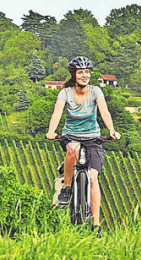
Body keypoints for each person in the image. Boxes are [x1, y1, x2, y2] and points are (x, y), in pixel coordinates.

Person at [45, 56, 120, 229]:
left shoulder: (95, 91)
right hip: (71, 136)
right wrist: (51, 131)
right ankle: (67, 187)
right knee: (72, 149)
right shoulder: (66, 93)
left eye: (87, 72)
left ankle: (95, 224)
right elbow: (57, 114)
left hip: (93, 138)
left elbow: (105, 112)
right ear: (74, 75)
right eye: (80, 72)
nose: (84, 75)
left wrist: (111, 130)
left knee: (93, 179)